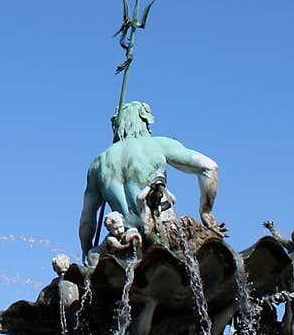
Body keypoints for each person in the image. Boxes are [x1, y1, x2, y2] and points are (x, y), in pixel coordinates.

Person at [79, 100, 224, 260]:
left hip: (126, 242)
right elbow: (210, 167)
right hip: (162, 230)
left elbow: (87, 220)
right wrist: (206, 212)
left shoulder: (97, 165)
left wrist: (86, 253)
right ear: (144, 121)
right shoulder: (158, 144)